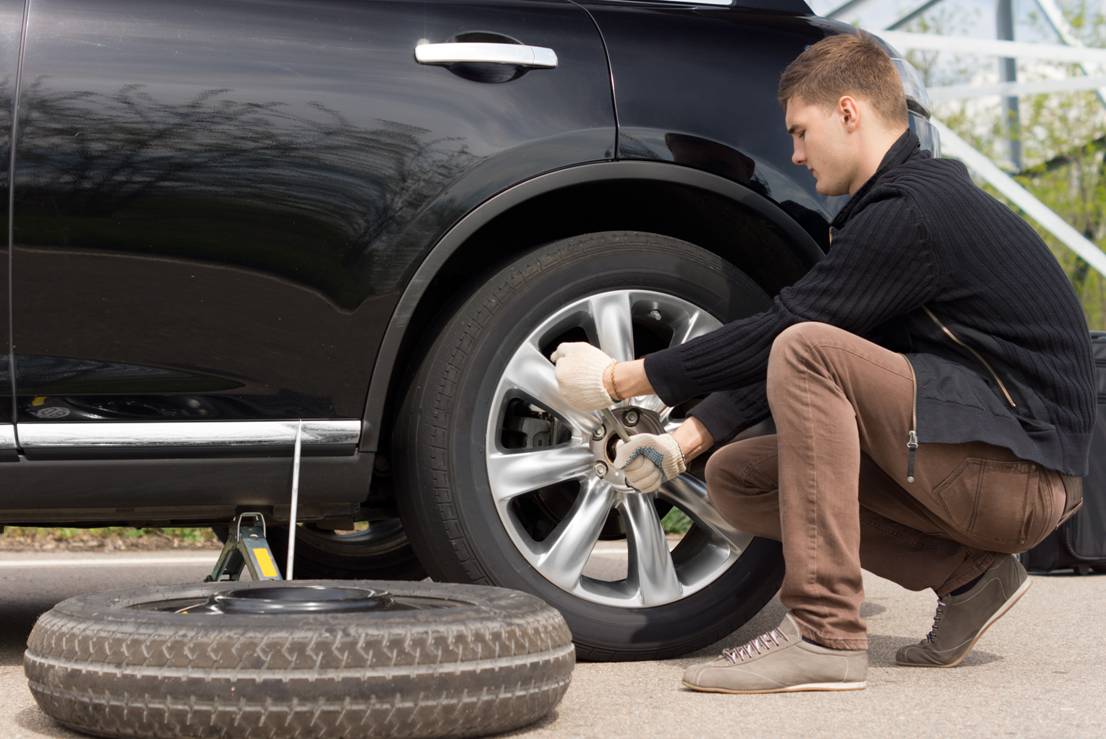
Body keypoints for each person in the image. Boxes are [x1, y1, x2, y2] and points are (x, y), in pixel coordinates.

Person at [549, 31, 1094, 694]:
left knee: (806, 346)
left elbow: (793, 335)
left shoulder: (913, 212)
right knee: (738, 478)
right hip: (991, 456)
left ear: (848, 112)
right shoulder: (894, 209)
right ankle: (971, 577)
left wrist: (619, 378)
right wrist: (688, 438)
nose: (796, 154)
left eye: (801, 132)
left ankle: (825, 632)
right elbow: (817, 333)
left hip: (1022, 475)